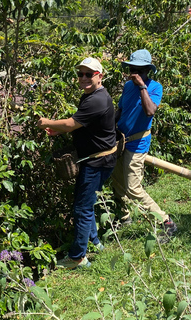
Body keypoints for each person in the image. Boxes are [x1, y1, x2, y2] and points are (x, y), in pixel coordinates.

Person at [37, 57, 117, 269]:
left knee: (82, 208)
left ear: (100, 76)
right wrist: (60, 128)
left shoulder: (96, 99)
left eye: (89, 74)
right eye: (80, 74)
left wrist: (47, 123)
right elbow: (81, 123)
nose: (83, 78)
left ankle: (77, 257)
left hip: (97, 162)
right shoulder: (92, 95)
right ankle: (95, 241)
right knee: (87, 203)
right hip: (100, 159)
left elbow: (72, 123)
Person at [111, 49, 177, 239]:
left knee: (133, 187)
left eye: (140, 70)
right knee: (117, 182)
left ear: (147, 70)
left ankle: (165, 222)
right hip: (121, 140)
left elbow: (149, 111)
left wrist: (142, 87)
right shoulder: (127, 86)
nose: (135, 73)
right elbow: (121, 110)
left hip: (138, 143)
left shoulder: (155, 87)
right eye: (133, 69)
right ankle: (125, 218)